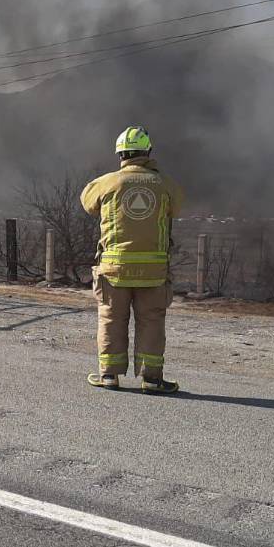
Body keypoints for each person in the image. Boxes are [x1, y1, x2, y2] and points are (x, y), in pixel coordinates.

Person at [79, 126, 185, 394]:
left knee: (111, 318)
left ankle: (109, 376)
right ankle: (151, 379)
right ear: (147, 151)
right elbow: (178, 206)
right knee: (151, 321)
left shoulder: (107, 182)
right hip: (153, 271)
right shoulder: (164, 183)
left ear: (121, 154)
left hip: (115, 268)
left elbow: (87, 202)